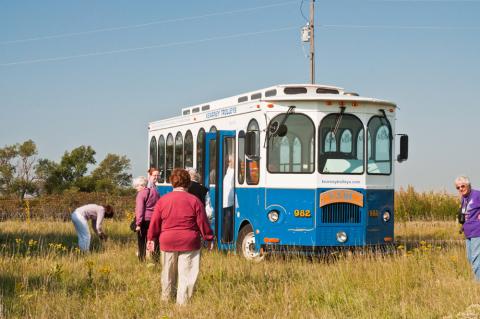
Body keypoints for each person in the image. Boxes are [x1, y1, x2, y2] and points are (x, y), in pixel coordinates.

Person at [147, 168, 214, 305]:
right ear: (188, 183)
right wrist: (208, 238)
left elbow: (155, 222)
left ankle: (166, 300)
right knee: (187, 274)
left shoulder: (163, 201)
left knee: (167, 272)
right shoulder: (195, 201)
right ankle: (182, 305)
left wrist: (151, 238)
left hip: (167, 241)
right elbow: (203, 222)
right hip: (189, 241)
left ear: (172, 183)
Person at [455, 175, 480, 281]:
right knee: (470, 258)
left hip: (477, 231)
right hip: (468, 232)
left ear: (468, 185)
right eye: (458, 187)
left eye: (463, 186)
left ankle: (477, 284)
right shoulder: (464, 198)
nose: (461, 189)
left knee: (475, 259)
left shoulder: (477, 194)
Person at [133, 176, 160, 261]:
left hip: (145, 220)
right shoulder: (155, 192)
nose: (136, 188)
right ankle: (156, 258)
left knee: (142, 241)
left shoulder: (141, 194)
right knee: (154, 239)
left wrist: (138, 223)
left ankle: (142, 259)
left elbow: (139, 210)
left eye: (137, 186)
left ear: (141, 185)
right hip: (155, 219)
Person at [222, 156, 235, 242]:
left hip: (230, 201)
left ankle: (227, 239)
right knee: (227, 220)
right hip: (225, 200)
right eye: (228, 161)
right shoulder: (228, 171)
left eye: (230, 161)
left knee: (228, 220)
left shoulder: (233, 172)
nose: (228, 163)